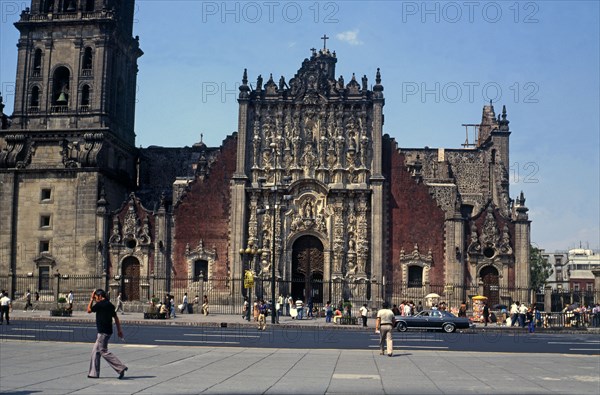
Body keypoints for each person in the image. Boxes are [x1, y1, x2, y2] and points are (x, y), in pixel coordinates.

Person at [86, 289, 127, 379]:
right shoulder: (110, 305)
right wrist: (119, 330)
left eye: (96, 297)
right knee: (95, 352)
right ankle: (93, 373)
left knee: (103, 351)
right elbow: (116, 318)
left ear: (100, 296)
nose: (95, 299)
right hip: (108, 332)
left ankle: (121, 367)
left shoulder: (100, 304)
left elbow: (88, 310)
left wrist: (91, 299)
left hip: (102, 333)